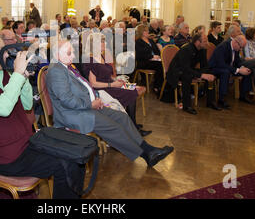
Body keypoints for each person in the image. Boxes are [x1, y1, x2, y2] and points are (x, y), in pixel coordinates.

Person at [0, 33, 86, 199]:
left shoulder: (4, 75)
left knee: (76, 155)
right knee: (66, 164)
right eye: (3, 50)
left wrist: (24, 78)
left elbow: (27, 105)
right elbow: (3, 108)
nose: (6, 55)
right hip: (6, 157)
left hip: (27, 144)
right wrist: (18, 75)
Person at [46, 39, 174, 168]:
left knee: (122, 117)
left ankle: (148, 148)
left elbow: (84, 86)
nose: (73, 55)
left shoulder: (65, 66)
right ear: (57, 54)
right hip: (73, 114)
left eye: (72, 52)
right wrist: (91, 104)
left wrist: (95, 97)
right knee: (114, 127)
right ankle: (146, 155)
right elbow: (67, 99)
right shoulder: (56, 71)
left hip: (85, 107)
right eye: (69, 53)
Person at [81, 33, 150, 136]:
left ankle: (131, 123)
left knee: (133, 88)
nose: (105, 43)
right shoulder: (89, 60)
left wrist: (122, 82)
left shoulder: (100, 56)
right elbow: (93, 83)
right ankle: (133, 128)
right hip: (103, 89)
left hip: (110, 84)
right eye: (102, 41)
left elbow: (108, 76)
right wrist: (113, 84)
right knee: (131, 94)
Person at [208, 35, 255, 109]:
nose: (241, 49)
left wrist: (243, 68)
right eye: (241, 47)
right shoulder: (222, 47)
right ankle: (221, 99)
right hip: (216, 68)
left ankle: (244, 95)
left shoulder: (236, 48)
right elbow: (221, 64)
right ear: (236, 42)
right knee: (225, 72)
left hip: (229, 67)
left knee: (249, 70)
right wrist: (239, 70)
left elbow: (237, 62)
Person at [166, 33, 220, 114]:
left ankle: (211, 101)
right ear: (198, 42)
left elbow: (205, 66)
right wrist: (200, 75)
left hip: (188, 69)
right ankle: (186, 105)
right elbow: (185, 68)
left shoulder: (202, 49)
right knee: (187, 76)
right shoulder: (186, 50)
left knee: (210, 74)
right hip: (176, 71)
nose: (207, 43)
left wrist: (202, 74)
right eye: (205, 41)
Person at [135, 24, 164, 94]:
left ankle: (162, 85)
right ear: (141, 32)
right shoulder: (138, 42)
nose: (148, 32)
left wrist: (157, 56)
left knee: (163, 64)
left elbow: (156, 50)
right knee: (160, 65)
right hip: (144, 62)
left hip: (154, 60)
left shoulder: (150, 40)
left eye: (148, 30)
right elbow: (140, 54)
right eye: (146, 31)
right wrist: (151, 57)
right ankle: (157, 86)